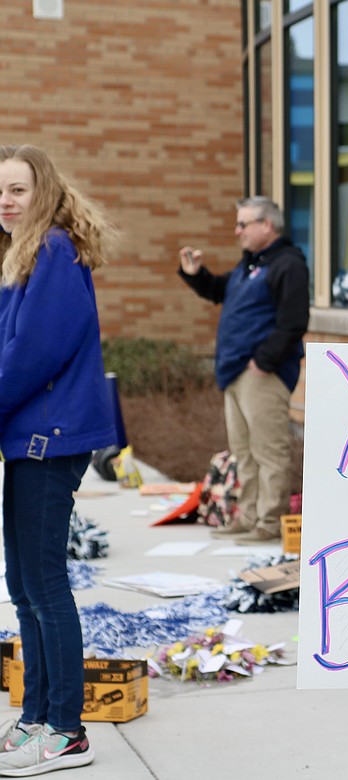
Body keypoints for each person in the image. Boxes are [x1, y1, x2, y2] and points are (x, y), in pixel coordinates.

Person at [0, 144, 115, 775]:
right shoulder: (22, 254)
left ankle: (67, 730)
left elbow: (32, 354)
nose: (6, 202)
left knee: (45, 586)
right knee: (23, 587)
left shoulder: (53, 253)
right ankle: (36, 717)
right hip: (25, 437)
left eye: (17, 190)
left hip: (49, 438)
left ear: (42, 191)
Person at [178, 197, 309, 544]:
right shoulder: (251, 265)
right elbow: (222, 291)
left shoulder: (288, 264)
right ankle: (248, 515)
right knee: (243, 452)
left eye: (243, 224)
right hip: (235, 373)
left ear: (267, 225)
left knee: (269, 450)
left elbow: (294, 322)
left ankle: (268, 521)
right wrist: (196, 276)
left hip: (262, 374)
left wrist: (263, 361)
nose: (237, 231)